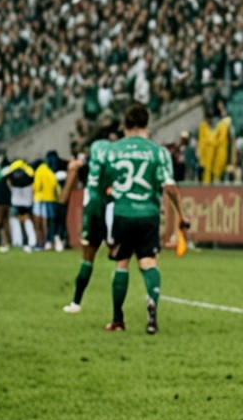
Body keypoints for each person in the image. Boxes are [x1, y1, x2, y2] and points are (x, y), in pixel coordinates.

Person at [98, 104, 188, 334]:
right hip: (148, 213)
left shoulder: (113, 150)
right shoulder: (158, 152)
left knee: (122, 262)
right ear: (147, 125)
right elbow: (170, 187)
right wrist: (181, 214)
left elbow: (102, 184)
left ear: (125, 125)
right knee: (148, 262)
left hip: (122, 212)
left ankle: (118, 319)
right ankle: (152, 305)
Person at [62, 139, 113, 314]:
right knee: (123, 259)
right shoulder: (114, 162)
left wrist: (64, 195)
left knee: (87, 258)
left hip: (92, 211)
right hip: (113, 209)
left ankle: (76, 302)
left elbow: (75, 169)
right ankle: (117, 315)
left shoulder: (89, 163)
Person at [3, 158, 36, 251]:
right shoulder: (28, 170)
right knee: (27, 220)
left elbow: (6, 178)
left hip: (15, 200)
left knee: (14, 220)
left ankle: (17, 242)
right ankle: (31, 242)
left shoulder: (13, 170)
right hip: (27, 200)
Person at [33, 155, 62, 252]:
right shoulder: (50, 172)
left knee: (41, 221)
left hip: (41, 198)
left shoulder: (39, 171)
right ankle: (49, 241)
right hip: (52, 198)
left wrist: (35, 192)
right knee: (50, 220)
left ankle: (43, 242)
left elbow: (37, 185)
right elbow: (55, 185)